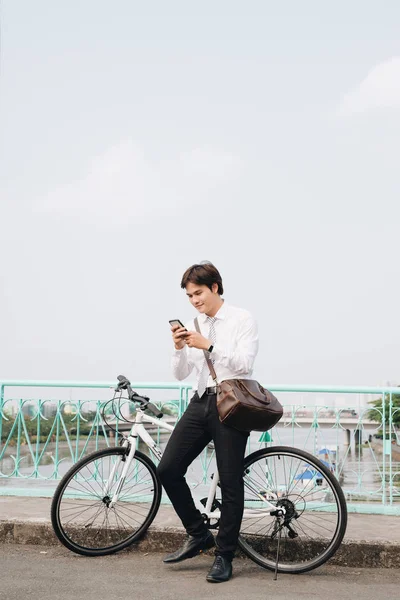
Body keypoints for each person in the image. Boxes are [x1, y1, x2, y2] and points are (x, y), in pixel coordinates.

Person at [157, 262, 259, 583]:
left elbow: (245, 363)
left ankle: (224, 554)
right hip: (200, 401)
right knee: (168, 469)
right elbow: (180, 373)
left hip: (231, 402)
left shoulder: (242, 318)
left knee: (230, 482)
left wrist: (210, 346)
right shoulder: (193, 323)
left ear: (215, 287)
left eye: (198, 293)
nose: (195, 301)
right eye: (189, 296)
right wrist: (178, 348)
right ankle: (198, 533)